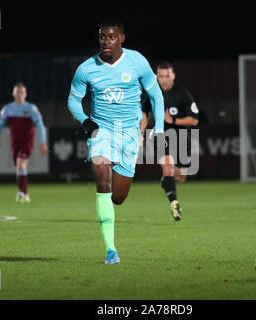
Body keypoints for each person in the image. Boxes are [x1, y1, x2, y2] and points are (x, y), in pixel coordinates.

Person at [67, 19, 165, 264]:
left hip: (129, 134)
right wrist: (85, 121)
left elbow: (156, 96)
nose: (106, 42)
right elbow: (73, 100)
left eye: (111, 37)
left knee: (118, 197)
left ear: (122, 38)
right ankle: (111, 250)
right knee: (101, 172)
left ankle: (108, 206)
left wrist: (160, 129)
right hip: (102, 132)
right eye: (102, 37)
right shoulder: (86, 68)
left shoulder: (137, 62)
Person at [140, 63, 199, 221]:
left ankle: (166, 182)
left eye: (167, 76)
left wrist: (172, 120)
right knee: (167, 167)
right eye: (161, 76)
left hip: (180, 138)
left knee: (180, 176)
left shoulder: (182, 94)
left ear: (173, 76)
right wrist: (140, 132)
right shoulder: (152, 92)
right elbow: (144, 113)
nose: (164, 80)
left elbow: (194, 120)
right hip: (159, 135)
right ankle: (174, 202)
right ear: (156, 77)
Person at [0, 83, 48, 202]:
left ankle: (23, 193)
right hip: (14, 141)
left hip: (27, 141)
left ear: (25, 94)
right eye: (17, 92)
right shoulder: (7, 109)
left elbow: (40, 125)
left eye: (22, 92)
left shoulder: (31, 109)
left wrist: (43, 142)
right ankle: (22, 192)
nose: (19, 95)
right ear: (13, 94)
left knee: (21, 162)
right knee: (19, 167)